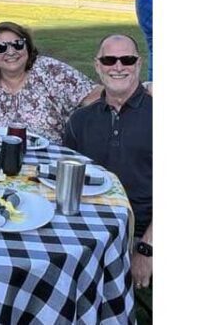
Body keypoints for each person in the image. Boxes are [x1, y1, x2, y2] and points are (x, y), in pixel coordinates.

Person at [63, 34, 152, 319]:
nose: (118, 66)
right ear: (97, 66)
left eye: (127, 59)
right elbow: (66, 183)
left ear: (139, 64)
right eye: (109, 60)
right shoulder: (80, 120)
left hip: (141, 234)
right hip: (88, 234)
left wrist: (146, 249)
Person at [0, 21, 100, 144]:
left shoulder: (49, 70)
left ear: (27, 47)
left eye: (18, 44)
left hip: (48, 161)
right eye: (1, 47)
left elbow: (96, 95)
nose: (11, 52)